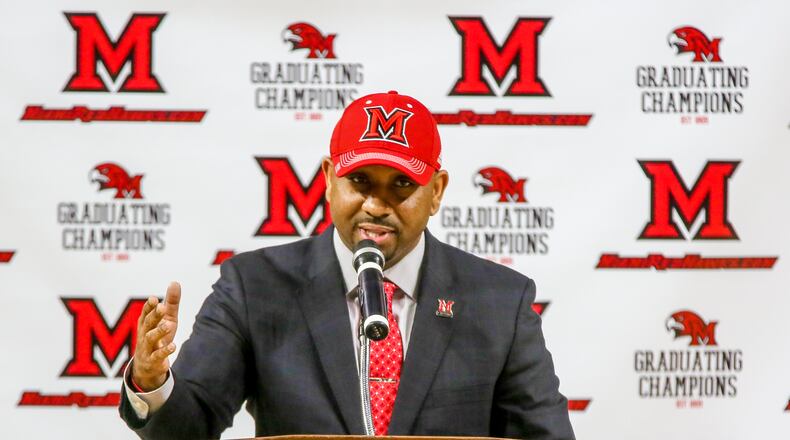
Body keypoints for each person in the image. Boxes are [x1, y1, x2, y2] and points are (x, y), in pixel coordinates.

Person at [119, 91, 575, 440]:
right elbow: (187, 430)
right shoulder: (254, 287)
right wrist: (152, 380)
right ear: (328, 179)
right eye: (359, 181)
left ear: (436, 191)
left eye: (401, 184)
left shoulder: (499, 301)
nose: (376, 205)